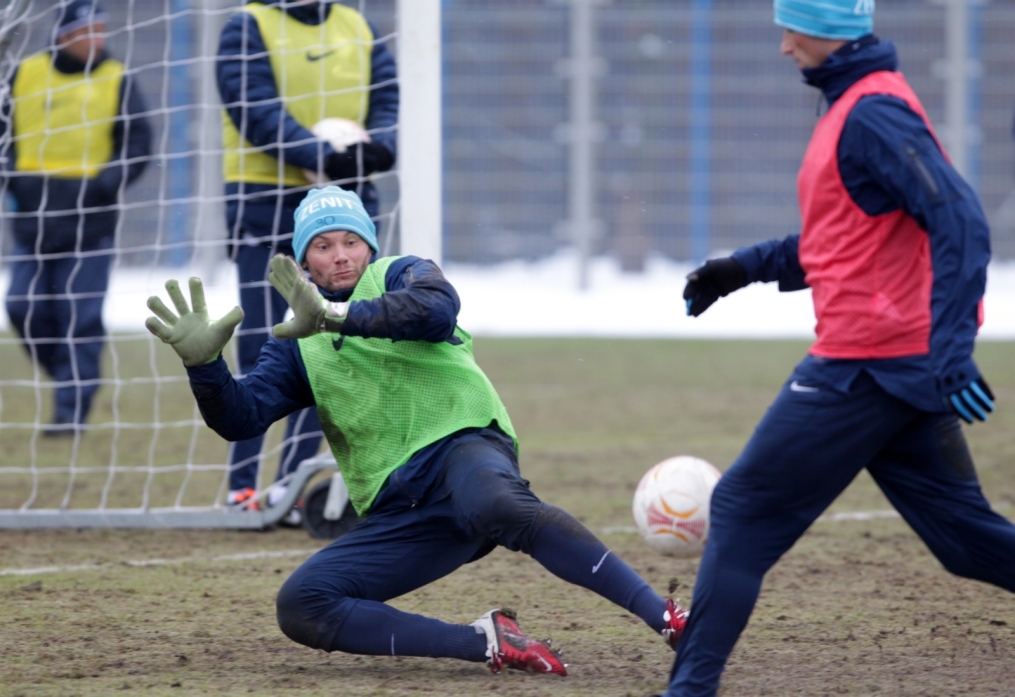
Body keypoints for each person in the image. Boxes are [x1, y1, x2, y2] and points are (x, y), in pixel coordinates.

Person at [145, 186, 688, 675]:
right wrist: (206, 367)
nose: (340, 256)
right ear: (304, 260)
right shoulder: (294, 343)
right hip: (403, 510)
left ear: (369, 245)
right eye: (323, 246)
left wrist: (338, 317)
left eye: (350, 242)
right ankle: (486, 642)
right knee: (302, 605)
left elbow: (434, 309)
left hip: (464, 452)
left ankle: (667, 618)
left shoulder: (402, 273)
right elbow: (241, 419)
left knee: (499, 505)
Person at [669, 1, 1015, 695]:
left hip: (867, 362)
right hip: (899, 365)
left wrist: (951, 348)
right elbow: (848, 237)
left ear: (825, 30)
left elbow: (960, 220)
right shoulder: (855, 105)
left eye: (789, 29)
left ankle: (688, 689)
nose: (782, 47)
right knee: (965, 542)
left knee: (740, 507)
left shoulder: (870, 113)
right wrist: (744, 266)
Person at [215, 0, 398, 515]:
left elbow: (386, 100)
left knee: (332, 343)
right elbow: (252, 108)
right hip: (263, 198)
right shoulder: (247, 25)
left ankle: (291, 487)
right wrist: (319, 153)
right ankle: (242, 485)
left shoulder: (358, 25)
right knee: (260, 341)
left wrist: (376, 147)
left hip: (345, 199)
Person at [1, 0, 151, 435]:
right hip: (34, 223)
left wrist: (105, 182)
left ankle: (71, 411)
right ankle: (71, 379)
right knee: (22, 309)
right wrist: (15, 179)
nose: (97, 39)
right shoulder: (25, 74)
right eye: (88, 30)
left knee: (80, 319)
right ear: (64, 35)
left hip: (91, 225)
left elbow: (138, 142)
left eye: (102, 29)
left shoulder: (117, 78)